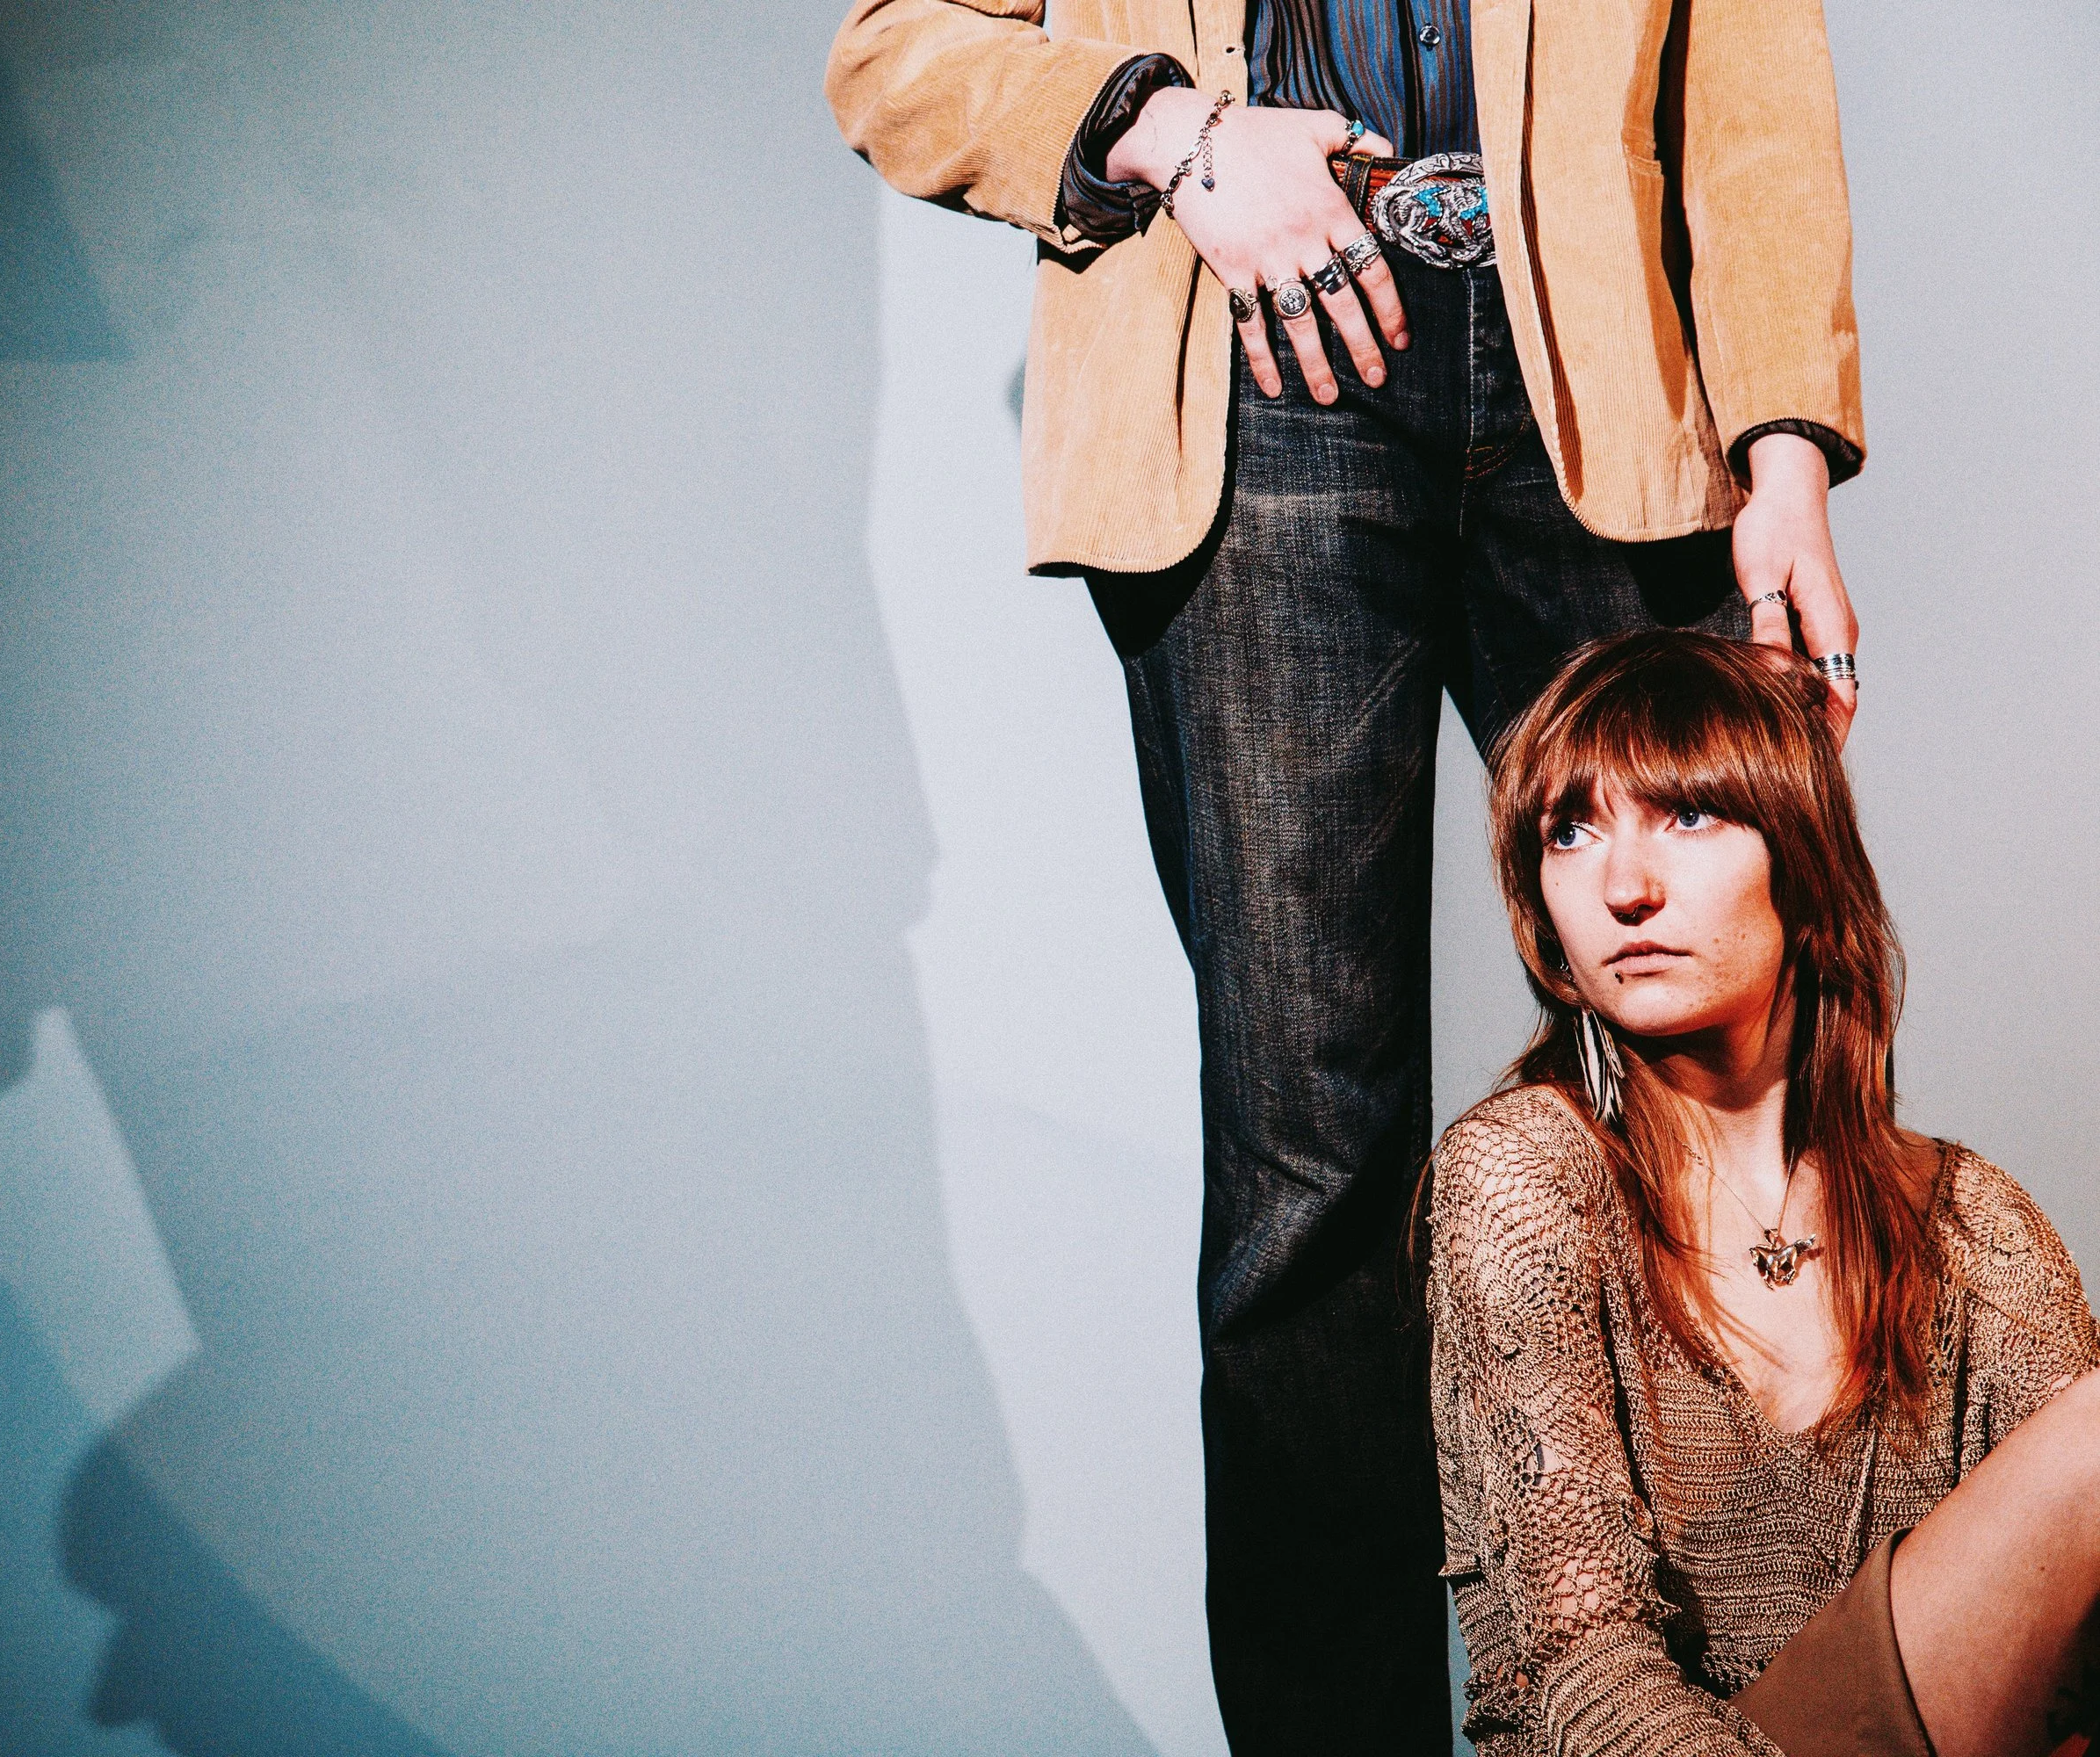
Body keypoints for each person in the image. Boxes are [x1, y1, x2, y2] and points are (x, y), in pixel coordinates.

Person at [826, 0, 1867, 1741]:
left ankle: (1772, 1724)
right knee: (1310, 1166)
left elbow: (1748, 85)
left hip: (1609, 400)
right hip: (1252, 394)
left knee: (1737, 1115)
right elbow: (894, 51)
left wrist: (1783, 454)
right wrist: (1172, 136)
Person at [1426, 632, 2100, 1757]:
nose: (1624, 887)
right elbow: (1583, 1674)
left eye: (1687, 815)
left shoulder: (1968, 1219)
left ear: (1801, 859)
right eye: (1570, 831)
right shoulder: (1520, 1177)